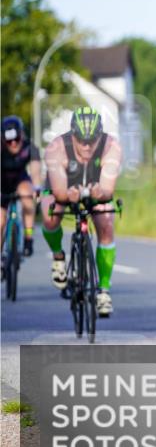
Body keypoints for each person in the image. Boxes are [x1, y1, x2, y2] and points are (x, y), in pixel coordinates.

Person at [40, 107, 122, 316]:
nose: (86, 146)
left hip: (96, 187)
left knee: (106, 222)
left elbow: (107, 189)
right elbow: (59, 192)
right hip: (62, 187)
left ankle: (103, 291)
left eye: (91, 140)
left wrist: (98, 193)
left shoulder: (111, 146)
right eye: (81, 140)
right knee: (50, 216)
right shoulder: (56, 148)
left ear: (99, 136)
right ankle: (58, 257)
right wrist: (69, 195)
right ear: (72, 134)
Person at [1, 116, 42, 256]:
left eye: (16, 139)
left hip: (20, 179)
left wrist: (37, 188)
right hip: (2, 183)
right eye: (8, 141)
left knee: (27, 196)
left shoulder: (29, 147)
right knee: (0, 221)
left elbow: (36, 171)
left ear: (22, 135)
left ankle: (28, 238)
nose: (13, 143)